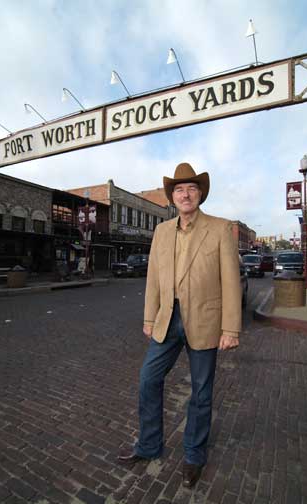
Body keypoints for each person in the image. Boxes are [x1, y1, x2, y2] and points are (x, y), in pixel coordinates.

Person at [118, 162, 242, 488]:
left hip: (205, 321)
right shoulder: (161, 231)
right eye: (179, 190)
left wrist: (230, 329)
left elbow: (230, 281)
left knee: (200, 393)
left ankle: (194, 456)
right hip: (167, 322)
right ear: (173, 197)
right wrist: (149, 317)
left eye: (191, 188)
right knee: (148, 380)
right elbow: (154, 279)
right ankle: (148, 446)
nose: (185, 194)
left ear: (200, 194)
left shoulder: (220, 228)